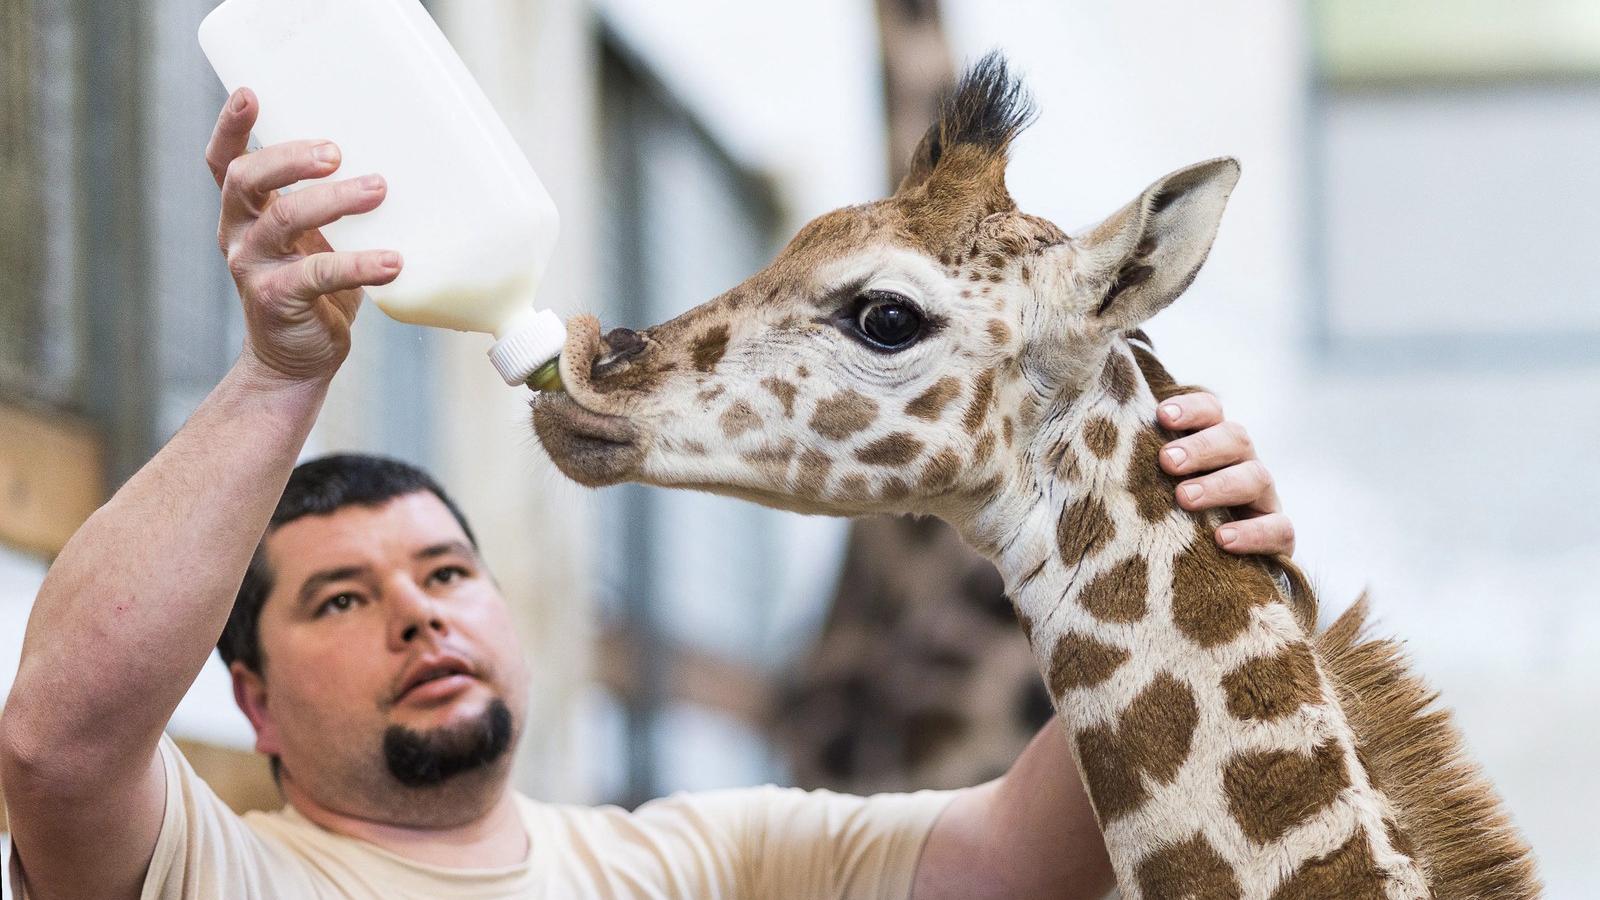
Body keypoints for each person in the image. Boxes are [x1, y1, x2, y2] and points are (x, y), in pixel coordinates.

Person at [0, 88, 1296, 900]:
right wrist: (278, 378)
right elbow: (56, 749)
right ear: (253, 703)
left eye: (449, 573)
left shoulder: (693, 863)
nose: (419, 615)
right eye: (340, 599)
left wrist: (1191, 568)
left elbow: (1037, 861)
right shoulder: (213, 873)